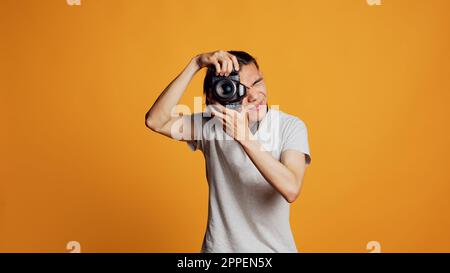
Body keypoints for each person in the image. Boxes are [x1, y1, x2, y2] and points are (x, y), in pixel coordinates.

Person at [145, 50, 311, 253]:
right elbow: (155, 121)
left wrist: (244, 138)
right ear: (220, 95)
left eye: (257, 82)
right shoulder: (212, 126)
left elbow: (291, 188)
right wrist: (195, 64)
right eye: (240, 89)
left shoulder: (290, 126)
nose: (254, 96)